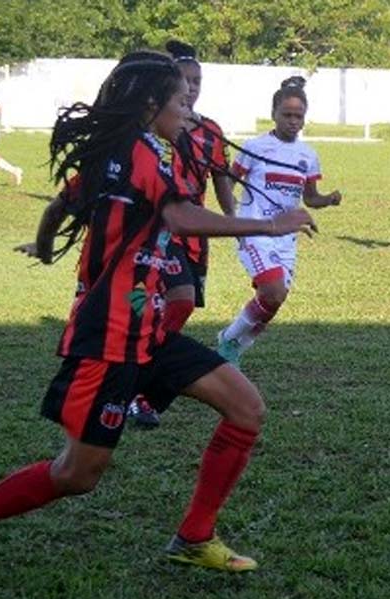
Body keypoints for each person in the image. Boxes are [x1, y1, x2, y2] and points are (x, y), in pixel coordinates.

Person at [0, 51, 317, 592]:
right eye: (181, 101)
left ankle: (194, 536)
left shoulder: (117, 154)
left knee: (246, 410)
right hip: (109, 338)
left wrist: (45, 250)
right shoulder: (140, 152)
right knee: (77, 474)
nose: (188, 110)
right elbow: (180, 216)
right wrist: (269, 222)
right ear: (152, 103)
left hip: (151, 330)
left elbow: (58, 208)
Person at [127, 40, 237, 428]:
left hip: (196, 235)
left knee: (171, 313)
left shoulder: (211, 132)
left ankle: (142, 388)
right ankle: (134, 384)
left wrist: (239, 225)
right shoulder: (154, 129)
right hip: (159, 232)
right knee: (179, 300)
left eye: (198, 80)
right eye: (185, 81)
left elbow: (224, 189)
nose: (192, 88)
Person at [217, 76, 341, 364]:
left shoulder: (308, 155)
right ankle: (227, 346)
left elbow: (310, 197)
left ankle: (231, 345)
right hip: (255, 231)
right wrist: (232, 219)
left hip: (287, 237)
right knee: (272, 290)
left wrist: (328, 200)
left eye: (299, 116)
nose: (293, 121)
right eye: (287, 115)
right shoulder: (254, 147)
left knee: (274, 299)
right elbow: (227, 185)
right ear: (273, 114)